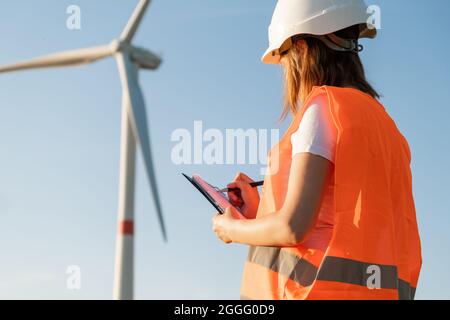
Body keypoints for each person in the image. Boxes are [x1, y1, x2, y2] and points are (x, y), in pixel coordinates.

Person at [212, 0, 422, 300]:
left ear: (301, 48)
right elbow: (340, 222)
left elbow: (293, 226)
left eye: (283, 56)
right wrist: (259, 214)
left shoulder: (323, 109)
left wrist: (230, 229)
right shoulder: (385, 126)